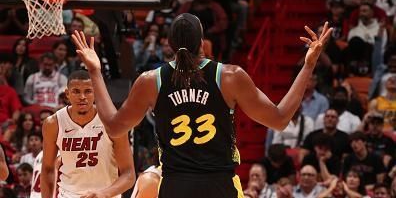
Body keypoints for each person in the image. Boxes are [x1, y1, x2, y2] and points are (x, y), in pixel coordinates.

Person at [71, 13, 332, 198]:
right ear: (202, 42)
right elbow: (280, 119)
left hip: (175, 185)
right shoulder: (230, 76)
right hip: (220, 185)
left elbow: (115, 128)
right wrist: (308, 65)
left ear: (170, 44)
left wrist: (95, 71)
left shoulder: (151, 81)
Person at [40, 70, 135, 198]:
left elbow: (129, 174)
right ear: (67, 94)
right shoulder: (53, 124)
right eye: (76, 91)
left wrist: (103, 193)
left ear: (95, 93)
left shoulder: (111, 122)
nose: (82, 97)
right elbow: (47, 169)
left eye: (88, 91)